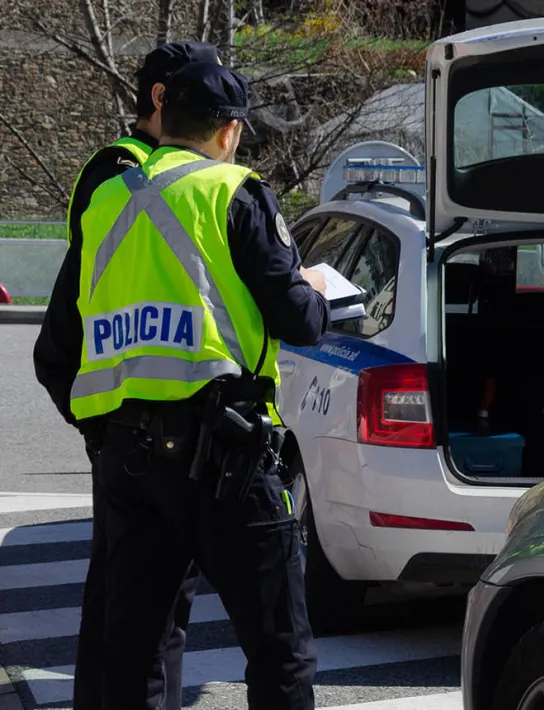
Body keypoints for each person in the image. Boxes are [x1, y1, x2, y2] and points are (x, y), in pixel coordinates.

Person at [72, 59, 326, 709]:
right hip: (223, 454)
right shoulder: (232, 191)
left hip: (126, 454)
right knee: (280, 649)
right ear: (229, 131)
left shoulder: (106, 199)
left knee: (136, 655)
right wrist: (316, 290)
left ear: (166, 117)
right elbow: (298, 319)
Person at [32, 40, 224, 710]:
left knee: (137, 605)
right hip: (133, 425)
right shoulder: (126, 171)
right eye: (196, 92)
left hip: (146, 424)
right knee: (137, 612)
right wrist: (99, 426)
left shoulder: (146, 169)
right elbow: (70, 321)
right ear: (162, 97)